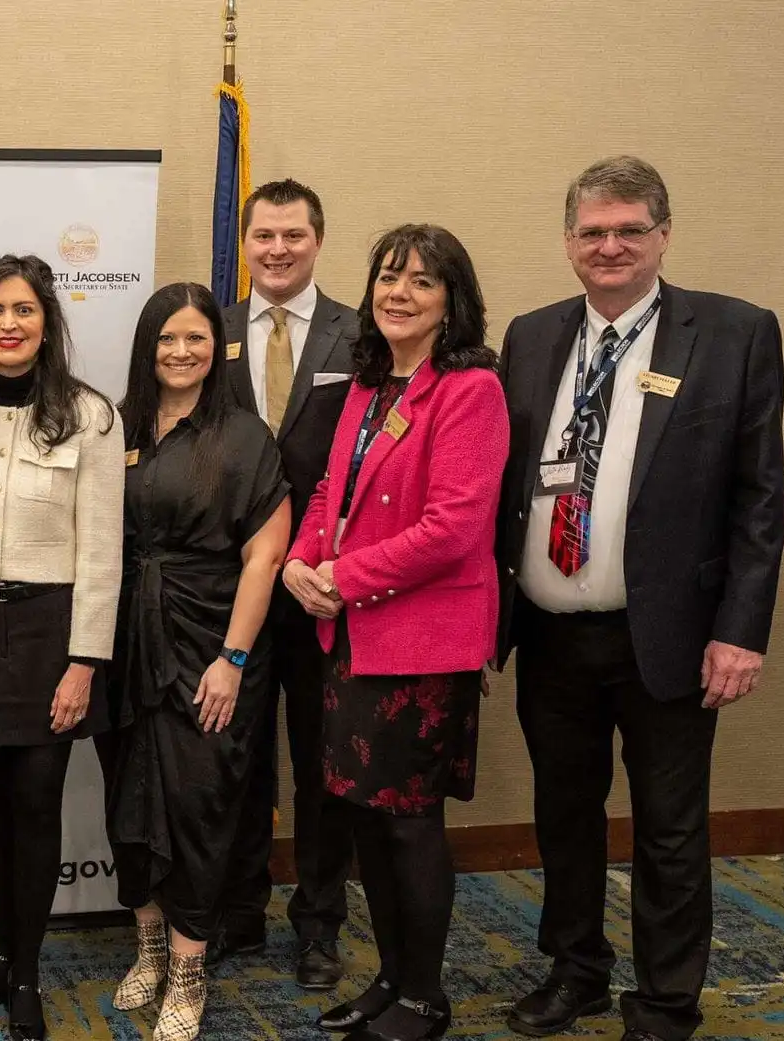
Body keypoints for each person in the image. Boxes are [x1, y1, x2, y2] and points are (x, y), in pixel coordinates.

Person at [496, 157, 784, 1041]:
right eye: (592, 232)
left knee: (667, 829)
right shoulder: (533, 334)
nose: (610, 246)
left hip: (668, 636)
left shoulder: (734, 332)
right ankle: (577, 968)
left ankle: (665, 1000)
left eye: (628, 229)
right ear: (569, 243)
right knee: (564, 817)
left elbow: (759, 499)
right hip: (550, 635)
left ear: (663, 234)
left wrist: (740, 633)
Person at [280, 224, 507, 1041]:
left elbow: (454, 527)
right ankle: (389, 978)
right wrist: (301, 562)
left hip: (419, 647)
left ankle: (425, 996)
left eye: (420, 280)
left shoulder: (469, 390)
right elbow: (325, 498)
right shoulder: (367, 388)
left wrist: (341, 577)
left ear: (453, 300)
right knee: (364, 819)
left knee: (410, 824)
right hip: (351, 642)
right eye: (387, 277)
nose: (397, 293)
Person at [0, 254, 124, 1041]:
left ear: (48, 322)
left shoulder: (91, 416)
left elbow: (103, 551)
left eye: (24, 309)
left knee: (37, 801)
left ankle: (28, 974)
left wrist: (85, 661)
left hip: (52, 634)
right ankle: (5, 948)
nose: (9, 323)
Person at [99, 282, 292, 1041]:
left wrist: (232, 658)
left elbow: (266, 552)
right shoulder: (115, 425)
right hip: (124, 640)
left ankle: (189, 965)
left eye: (197, 338)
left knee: (202, 803)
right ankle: (148, 944)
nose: (181, 352)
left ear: (218, 347)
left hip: (211, 641)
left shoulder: (245, 436)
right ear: (147, 346)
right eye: (167, 338)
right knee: (129, 798)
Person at [212, 179, 361, 988]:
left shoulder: (362, 333)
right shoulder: (212, 330)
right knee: (235, 755)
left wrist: (335, 568)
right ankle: (239, 909)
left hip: (324, 592)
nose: (277, 250)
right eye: (263, 235)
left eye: (292, 236)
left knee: (320, 761)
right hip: (234, 587)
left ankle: (318, 924)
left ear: (317, 239)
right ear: (245, 242)